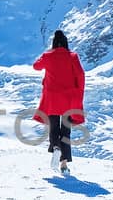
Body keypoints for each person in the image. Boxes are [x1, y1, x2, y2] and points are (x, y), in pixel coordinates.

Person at [33, 30, 85, 175]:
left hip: (52, 99)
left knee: (54, 127)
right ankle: (63, 164)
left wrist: (46, 56)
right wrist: (79, 93)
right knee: (66, 130)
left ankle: (55, 147)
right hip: (68, 99)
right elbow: (80, 75)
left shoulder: (48, 56)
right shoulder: (73, 57)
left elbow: (36, 66)